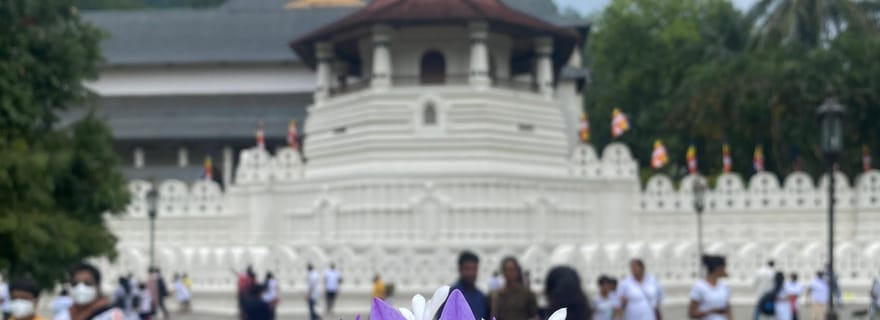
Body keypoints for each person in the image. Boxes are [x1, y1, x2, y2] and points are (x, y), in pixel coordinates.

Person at [441, 251, 488, 320]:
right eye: (467, 269)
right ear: (460, 269)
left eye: (474, 269)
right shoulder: (448, 294)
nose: (471, 273)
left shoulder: (481, 297)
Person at [688, 255, 732, 320]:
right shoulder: (699, 287)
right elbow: (692, 313)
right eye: (724, 268)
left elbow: (728, 309)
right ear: (718, 268)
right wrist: (711, 311)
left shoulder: (724, 286)